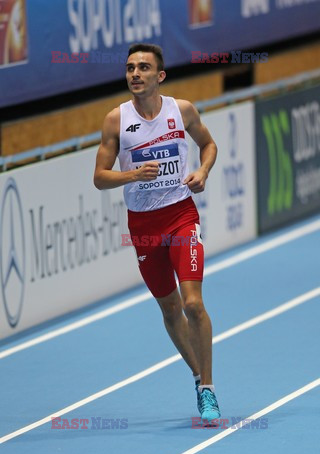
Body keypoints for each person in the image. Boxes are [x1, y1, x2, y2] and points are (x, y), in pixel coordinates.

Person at [94, 43, 220, 422]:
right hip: (144, 226)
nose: (135, 74)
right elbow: (99, 178)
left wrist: (202, 171)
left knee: (192, 304)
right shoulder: (115, 120)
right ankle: (197, 377)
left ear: (159, 76)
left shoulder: (181, 110)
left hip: (181, 214)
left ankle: (209, 389)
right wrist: (133, 174)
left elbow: (209, 144)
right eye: (130, 67)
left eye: (144, 68)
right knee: (169, 309)